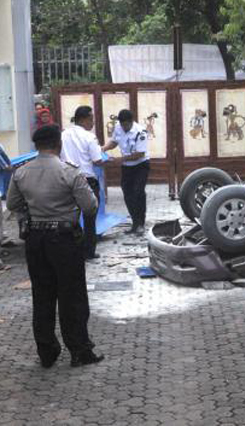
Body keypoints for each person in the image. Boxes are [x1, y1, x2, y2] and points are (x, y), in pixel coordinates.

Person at [6, 125, 104, 368]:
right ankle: (80, 351)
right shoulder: (68, 172)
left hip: (35, 241)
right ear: (58, 144)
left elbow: (12, 203)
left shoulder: (21, 173)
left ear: (36, 146)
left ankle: (47, 353)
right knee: (72, 297)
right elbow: (90, 207)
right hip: (64, 240)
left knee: (42, 296)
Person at [60, 106, 104, 260]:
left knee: (70, 217)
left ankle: (72, 249)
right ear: (83, 119)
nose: (93, 122)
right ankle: (89, 252)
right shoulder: (89, 137)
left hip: (65, 180)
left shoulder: (63, 135)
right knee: (89, 217)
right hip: (86, 181)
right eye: (91, 119)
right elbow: (97, 160)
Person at [102, 109, 149, 235]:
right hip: (127, 166)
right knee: (127, 193)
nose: (124, 127)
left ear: (131, 121)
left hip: (141, 165)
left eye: (126, 125)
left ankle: (141, 224)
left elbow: (140, 154)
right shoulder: (118, 127)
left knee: (138, 192)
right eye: (122, 125)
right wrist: (103, 148)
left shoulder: (141, 132)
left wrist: (120, 159)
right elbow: (114, 141)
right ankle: (135, 222)